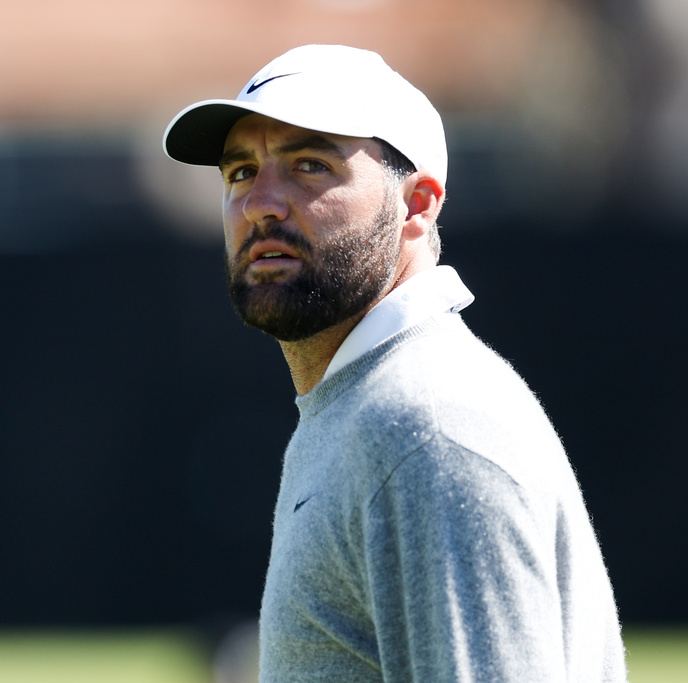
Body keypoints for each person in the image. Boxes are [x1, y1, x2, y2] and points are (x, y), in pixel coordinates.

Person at [163, 45, 626, 681]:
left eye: (308, 164)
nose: (259, 202)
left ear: (417, 206)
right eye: (240, 171)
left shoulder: (426, 426)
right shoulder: (368, 403)